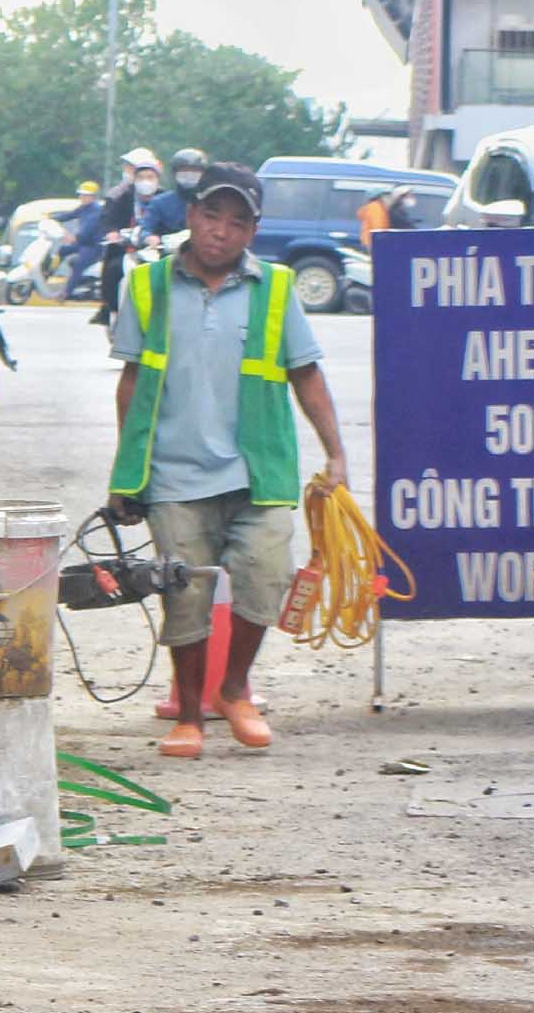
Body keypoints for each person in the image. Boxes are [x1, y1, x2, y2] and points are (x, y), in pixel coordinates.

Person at [104, 163, 349, 761]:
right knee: (183, 594)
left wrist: (336, 453)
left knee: (267, 576)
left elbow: (306, 374)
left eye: (236, 222)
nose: (220, 231)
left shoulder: (279, 287)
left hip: (257, 470)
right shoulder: (146, 286)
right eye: (211, 215)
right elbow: (132, 382)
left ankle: (235, 688)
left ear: (253, 230)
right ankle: (190, 716)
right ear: (190, 216)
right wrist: (125, 474)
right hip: (174, 475)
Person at [91, 148, 163, 326]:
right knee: (112, 268)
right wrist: (113, 233)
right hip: (127, 248)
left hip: (159, 248)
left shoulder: (165, 198)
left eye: (149, 176)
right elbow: (107, 220)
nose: (145, 181)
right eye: (140, 175)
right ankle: (110, 309)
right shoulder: (119, 196)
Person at [54, 180, 108, 291]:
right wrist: (52, 219)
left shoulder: (97, 211)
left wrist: (73, 238)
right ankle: (48, 273)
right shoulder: (83, 208)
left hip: (93, 246)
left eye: (84, 195)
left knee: (79, 265)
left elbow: (87, 231)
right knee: (62, 251)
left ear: (92, 197)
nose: (81, 197)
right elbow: (69, 215)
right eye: (81, 194)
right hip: (82, 243)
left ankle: (66, 293)